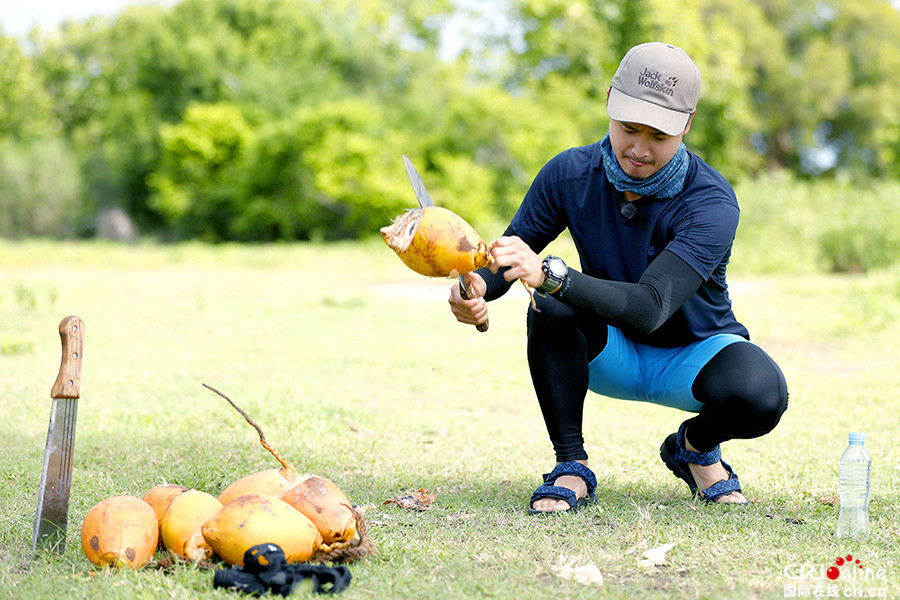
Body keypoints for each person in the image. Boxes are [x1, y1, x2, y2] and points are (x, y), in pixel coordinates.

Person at [448, 42, 789, 513]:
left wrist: (550, 273)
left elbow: (650, 307)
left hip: (693, 352)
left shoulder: (711, 201)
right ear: (610, 101)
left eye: (659, 136)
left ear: (686, 125)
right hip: (610, 350)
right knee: (548, 305)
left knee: (762, 394)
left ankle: (693, 448)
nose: (639, 150)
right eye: (629, 128)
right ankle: (570, 465)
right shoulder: (568, 174)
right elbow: (508, 255)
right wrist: (477, 288)